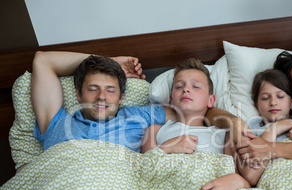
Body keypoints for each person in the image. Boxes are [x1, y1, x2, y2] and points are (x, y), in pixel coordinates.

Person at [31, 51, 248, 153]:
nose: (102, 97)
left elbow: (194, 111)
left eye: (110, 90)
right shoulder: (55, 121)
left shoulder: (139, 116)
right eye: (92, 89)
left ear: (121, 97)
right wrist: (109, 61)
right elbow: (43, 60)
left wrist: (234, 122)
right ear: (78, 94)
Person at [141, 58, 251, 190]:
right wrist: (167, 148)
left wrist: (236, 181)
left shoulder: (222, 134)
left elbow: (243, 180)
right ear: (172, 100)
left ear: (211, 100)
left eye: (196, 86)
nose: (186, 89)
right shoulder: (156, 130)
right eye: (179, 86)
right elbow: (142, 175)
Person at [239, 69, 292, 186]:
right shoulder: (251, 130)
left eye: (280, 96)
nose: (273, 102)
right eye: (265, 98)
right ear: (256, 105)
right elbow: (251, 176)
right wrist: (272, 131)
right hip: (282, 184)